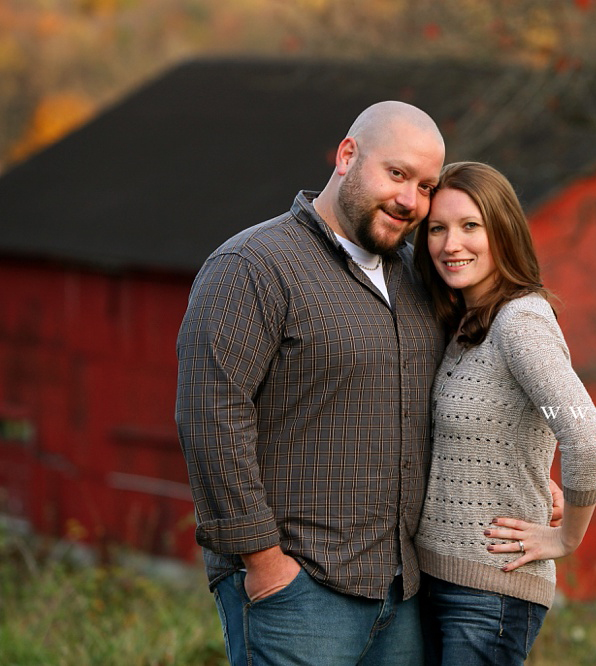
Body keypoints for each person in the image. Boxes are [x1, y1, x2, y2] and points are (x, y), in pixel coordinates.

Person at [175, 101, 447, 666]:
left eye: (425, 187)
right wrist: (266, 566)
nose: (409, 201)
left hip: (405, 594)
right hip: (299, 592)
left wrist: (528, 467)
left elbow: (465, 390)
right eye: (396, 174)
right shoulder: (253, 265)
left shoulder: (421, 279)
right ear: (348, 156)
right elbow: (211, 418)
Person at [413, 161, 596, 665]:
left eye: (469, 226)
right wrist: (528, 473)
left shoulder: (519, 321)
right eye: (437, 228)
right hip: (439, 580)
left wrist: (566, 538)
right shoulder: (468, 321)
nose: (450, 244)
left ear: (502, 229)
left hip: (490, 595)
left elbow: (588, 436)